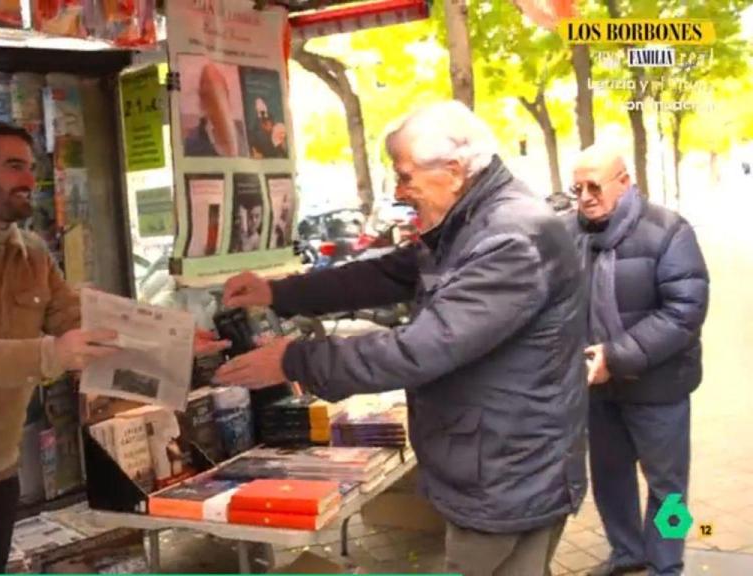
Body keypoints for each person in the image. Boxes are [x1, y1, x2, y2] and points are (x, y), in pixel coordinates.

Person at [215, 100, 588, 576]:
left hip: (508, 471)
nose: (398, 191)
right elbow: (388, 273)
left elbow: (422, 348)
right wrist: (278, 292)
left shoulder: (510, 236)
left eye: (405, 176)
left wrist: (296, 360)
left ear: (453, 170)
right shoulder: (472, 220)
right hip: (503, 460)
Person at [0, 120, 227, 573]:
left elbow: (80, 323)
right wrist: (50, 353)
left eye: (31, 168)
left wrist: (172, 342)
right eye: (14, 166)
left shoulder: (33, 253)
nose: (29, 181)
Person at [566, 144, 709, 576]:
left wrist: (615, 356)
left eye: (595, 186)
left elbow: (685, 311)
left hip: (659, 388)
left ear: (624, 182)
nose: (585, 197)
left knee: (669, 489)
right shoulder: (568, 235)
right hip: (597, 389)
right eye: (577, 188)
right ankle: (627, 553)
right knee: (610, 480)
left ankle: (667, 563)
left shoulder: (669, 230)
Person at [184, 63, 248, 158]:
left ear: (226, 93)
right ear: (202, 99)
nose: (216, 99)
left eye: (219, 90)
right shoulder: (191, 145)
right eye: (209, 93)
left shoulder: (245, 131)